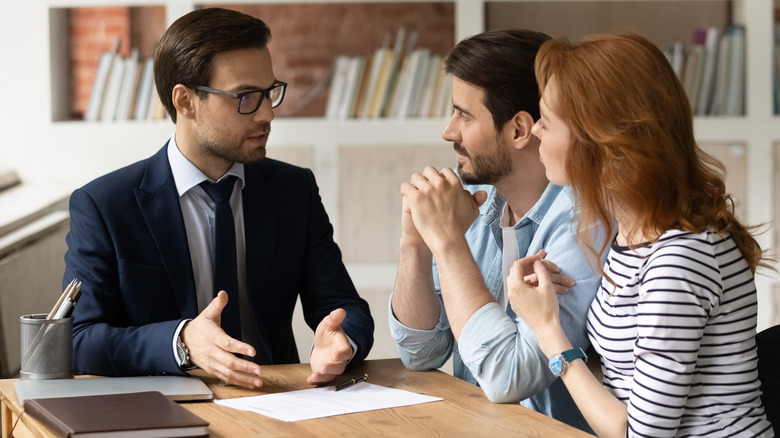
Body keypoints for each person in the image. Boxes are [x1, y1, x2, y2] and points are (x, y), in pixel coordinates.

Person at [63, 7, 374, 389]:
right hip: (163, 408)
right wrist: (181, 342)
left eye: (269, 93)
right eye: (245, 97)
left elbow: (345, 307)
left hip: (278, 400)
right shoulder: (105, 206)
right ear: (185, 101)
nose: (266, 114)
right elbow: (79, 341)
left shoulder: (294, 191)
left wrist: (343, 342)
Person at [507, 32, 774, 437]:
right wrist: (552, 314)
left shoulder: (680, 259)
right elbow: (625, 381)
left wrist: (547, 330)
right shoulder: (634, 237)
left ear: (601, 143)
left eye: (548, 120)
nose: (536, 131)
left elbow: (641, 435)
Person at [389, 29, 602, 432]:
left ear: (520, 129)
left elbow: (511, 377)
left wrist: (448, 243)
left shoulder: (582, 223)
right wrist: (416, 243)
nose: (448, 132)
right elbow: (421, 352)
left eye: (464, 115)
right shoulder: (477, 198)